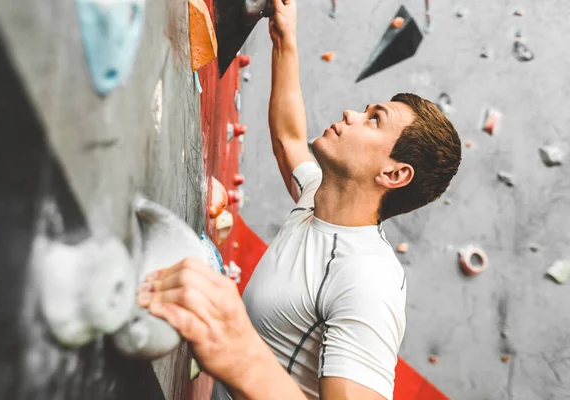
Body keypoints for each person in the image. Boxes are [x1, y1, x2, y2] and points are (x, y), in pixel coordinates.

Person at [136, 0, 461, 398]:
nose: (351, 114)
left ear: (394, 174)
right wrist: (285, 38)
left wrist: (239, 353)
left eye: (375, 119)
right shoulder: (320, 200)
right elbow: (289, 138)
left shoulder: (366, 281)